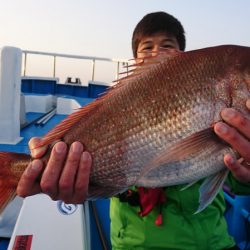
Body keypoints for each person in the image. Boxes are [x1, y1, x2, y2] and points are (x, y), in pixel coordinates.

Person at [17, 12, 250, 250]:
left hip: (210, 243)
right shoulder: (116, 105)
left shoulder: (224, 110)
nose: (157, 53)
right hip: (134, 245)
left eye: (167, 46)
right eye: (147, 47)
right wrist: (50, 166)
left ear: (183, 57)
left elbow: (239, 180)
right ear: (135, 59)